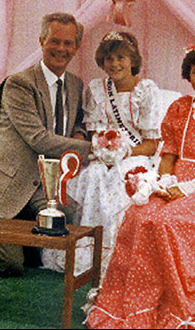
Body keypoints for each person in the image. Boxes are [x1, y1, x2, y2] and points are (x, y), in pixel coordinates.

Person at [85, 41, 195, 329]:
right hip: (176, 181)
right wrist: (162, 181)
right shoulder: (180, 108)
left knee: (166, 221)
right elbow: (168, 156)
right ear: (187, 76)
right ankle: (138, 307)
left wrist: (191, 187)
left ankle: (175, 308)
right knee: (138, 215)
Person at [42, 31, 163, 278]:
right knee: (94, 174)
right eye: (109, 58)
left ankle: (117, 257)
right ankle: (89, 254)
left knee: (121, 179)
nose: (115, 64)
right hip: (102, 153)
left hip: (136, 155)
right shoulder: (97, 89)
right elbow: (93, 132)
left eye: (121, 57)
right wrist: (104, 150)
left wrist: (126, 150)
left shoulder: (146, 90)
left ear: (133, 60)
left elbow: (151, 144)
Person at [0, 12, 92, 277]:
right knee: (10, 265)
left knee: (66, 225)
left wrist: (79, 134)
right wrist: (97, 149)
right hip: (11, 185)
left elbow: (77, 121)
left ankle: (22, 232)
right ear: (41, 41)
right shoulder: (19, 83)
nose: (61, 49)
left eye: (68, 43)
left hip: (44, 185)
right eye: (55, 41)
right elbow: (39, 139)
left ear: (76, 48)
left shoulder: (76, 84)